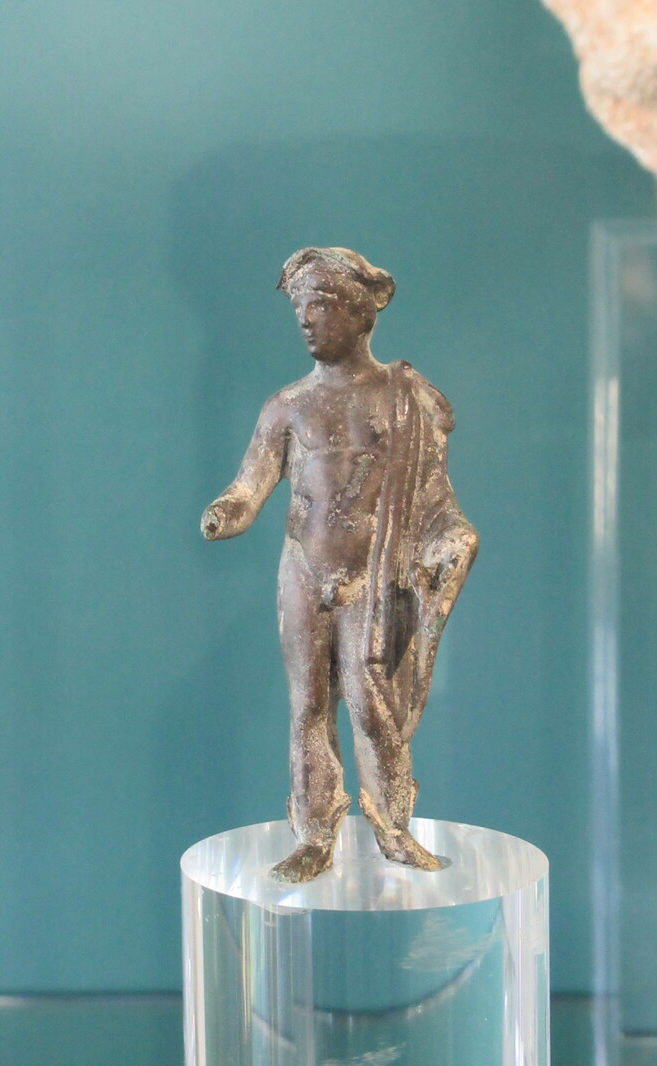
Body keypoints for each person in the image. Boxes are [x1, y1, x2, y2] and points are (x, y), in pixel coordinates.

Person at [201, 247, 478, 883]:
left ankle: (393, 827)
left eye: (321, 305)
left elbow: (435, 498)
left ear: (360, 315)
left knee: (372, 706)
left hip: (376, 577)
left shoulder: (406, 401)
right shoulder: (287, 406)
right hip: (304, 569)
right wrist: (226, 511)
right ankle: (315, 832)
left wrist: (450, 540)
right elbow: (250, 485)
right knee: (308, 705)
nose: (306, 319)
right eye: (300, 307)